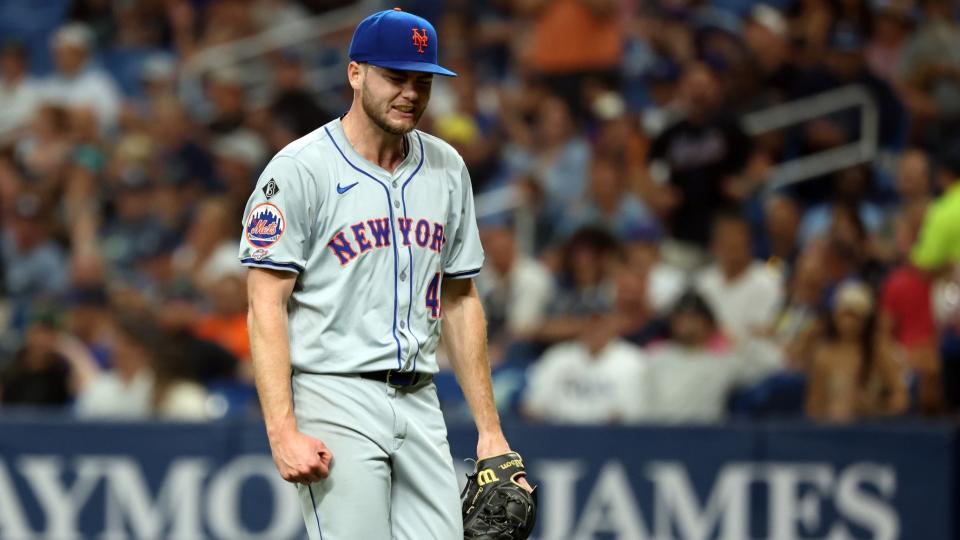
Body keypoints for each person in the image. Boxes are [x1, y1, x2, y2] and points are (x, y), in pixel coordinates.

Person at [239, 9, 529, 540]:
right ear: (355, 73)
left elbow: (461, 299)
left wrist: (491, 432)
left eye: (423, 81)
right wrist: (282, 430)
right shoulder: (301, 169)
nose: (411, 93)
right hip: (335, 393)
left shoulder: (446, 168)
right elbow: (265, 304)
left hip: (421, 398)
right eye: (395, 77)